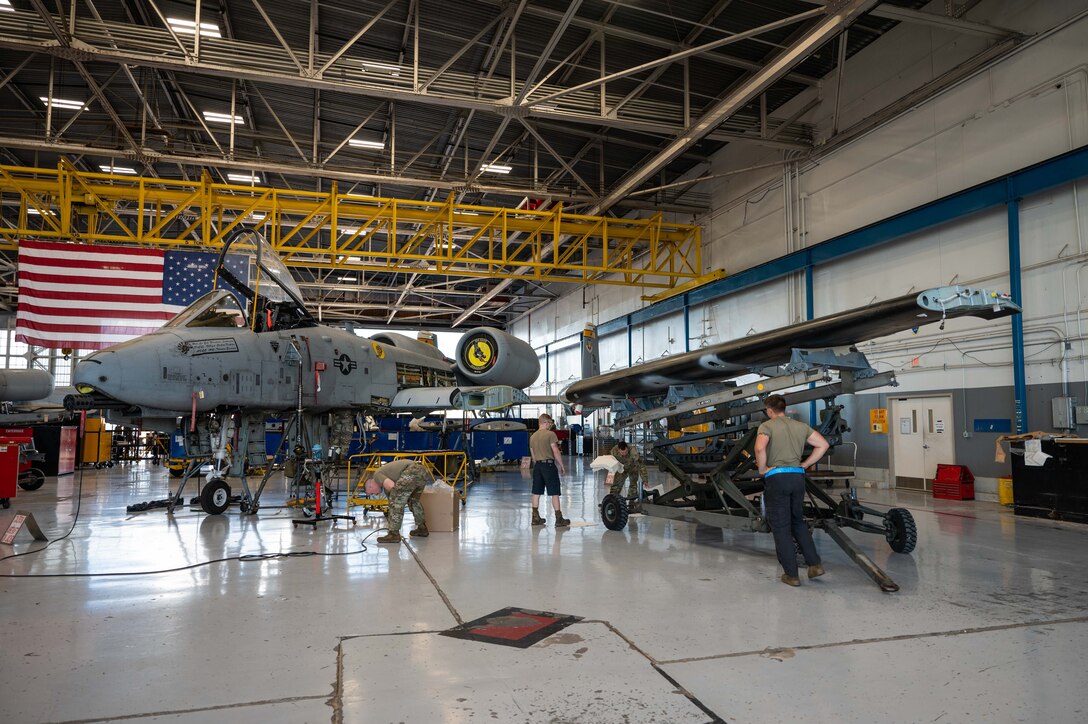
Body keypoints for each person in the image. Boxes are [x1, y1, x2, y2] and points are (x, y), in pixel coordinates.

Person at [754, 394, 830, 587]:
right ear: (784, 409)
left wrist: (762, 469)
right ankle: (814, 565)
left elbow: (759, 448)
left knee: (781, 527)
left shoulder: (767, 426)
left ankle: (791, 574)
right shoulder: (801, 426)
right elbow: (823, 445)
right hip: (797, 478)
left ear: (769, 410)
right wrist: (804, 464)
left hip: (777, 478)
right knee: (797, 522)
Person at [364, 458, 430, 543]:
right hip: (422, 470)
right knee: (413, 501)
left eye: (372, 493)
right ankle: (422, 528)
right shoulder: (384, 481)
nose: (375, 495)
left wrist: (393, 507)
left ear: (370, 486)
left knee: (396, 501)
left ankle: (393, 534)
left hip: (411, 470)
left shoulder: (377, 476)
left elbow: (392, 487)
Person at [529, 413, 568, 527]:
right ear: (544, 422)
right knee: (554, 492)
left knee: (536, 492)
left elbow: (533, 455)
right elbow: (555, 450)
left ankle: (535, 518)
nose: (550, 425)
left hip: (538, 466)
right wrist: (561, 465)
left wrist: (538, 463)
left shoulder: (532, 436)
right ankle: (559, 519)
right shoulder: (550, 434)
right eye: (549, 423)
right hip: (548, 466)